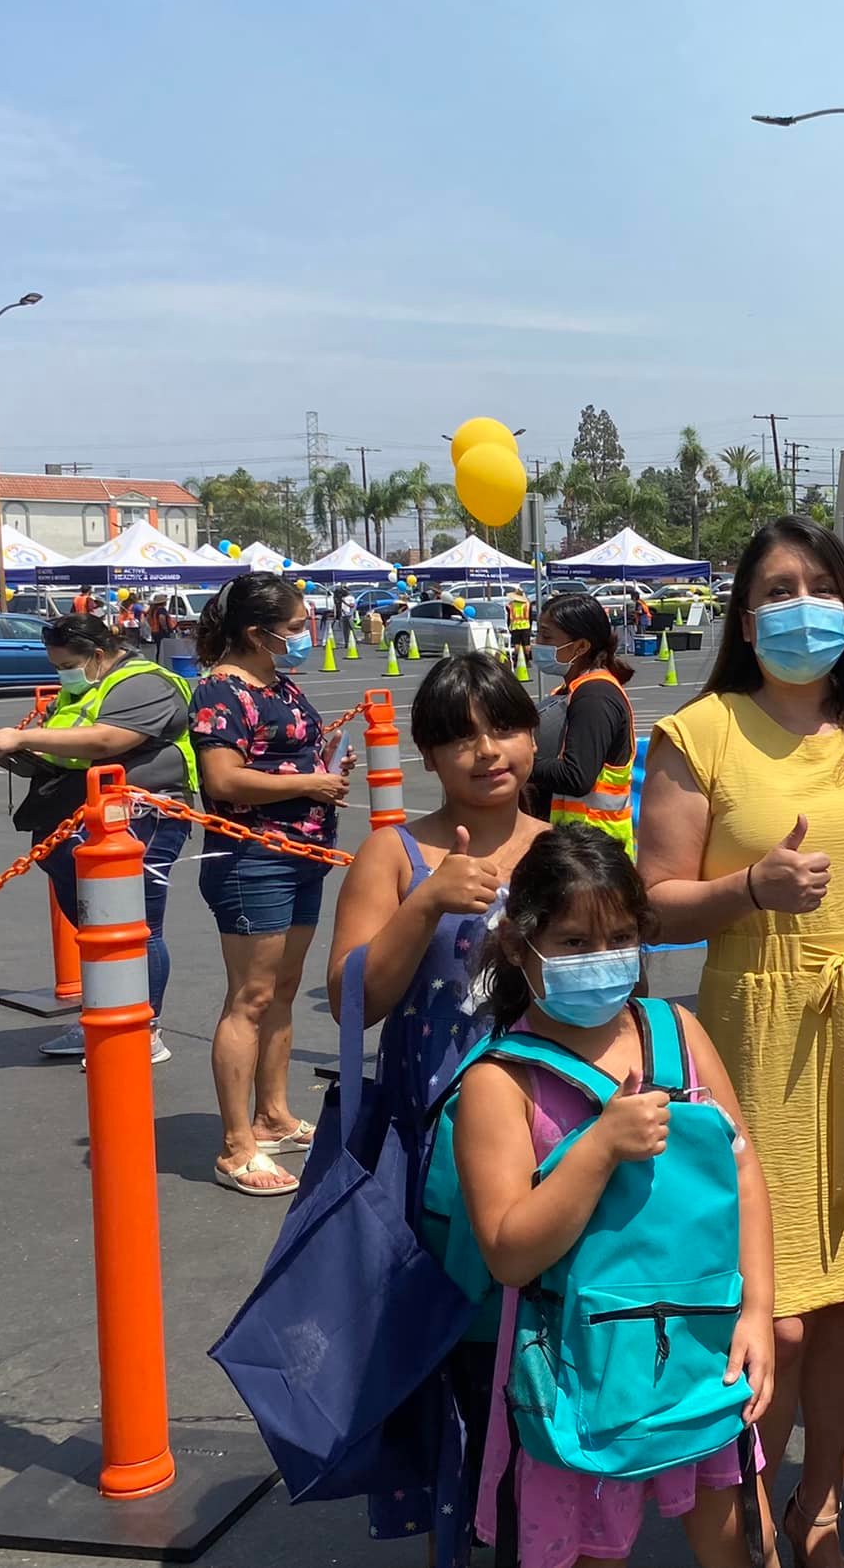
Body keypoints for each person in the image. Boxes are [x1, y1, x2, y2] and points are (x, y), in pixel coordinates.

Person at [637, 514, 844, 1567]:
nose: (799, 607)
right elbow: (653, 903)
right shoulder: (702, 734)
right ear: (740, 613)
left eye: (818, 586)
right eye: (774, 589)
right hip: (761, 1036)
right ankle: (746, 1520)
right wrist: (747, 888)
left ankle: (819, 1508)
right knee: (766, 1309)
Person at [453, 827, 777, 1568]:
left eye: (620, 937)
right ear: (517, 944)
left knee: (741, 1543)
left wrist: (757, 1308)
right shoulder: (499, 1083)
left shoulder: (678, 1032)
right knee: (590, 1551)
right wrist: (598, 1150)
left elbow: (743, 1170)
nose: (600, 960)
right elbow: (509, 1251)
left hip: (700, 1347)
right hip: (577, 1371)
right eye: (571, 942)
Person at [322, 653, 547, 1556]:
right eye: (458, 736)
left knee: (543, 1339)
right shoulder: (394, 849)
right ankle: (461, 1530)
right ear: (426, 756)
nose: (487, 751)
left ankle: (552, 1526)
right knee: (456, 1352)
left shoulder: (568, 847)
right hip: (435, 1150)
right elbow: (354, 1001)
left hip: (550, 1134)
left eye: (504, 726)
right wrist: (424, 906)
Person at [189, 573, 355, 1197]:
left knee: (283, 988)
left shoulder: (276, 684)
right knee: (250, 997)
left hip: (304, 850)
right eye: (294, 628)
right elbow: (224, 780)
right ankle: (237, 1145)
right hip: (252, 858)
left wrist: (324, 763)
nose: (304, 635)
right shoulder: (219, 690)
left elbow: (279, 757)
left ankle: (274, 1114)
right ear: (257, 633)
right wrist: (306, 783)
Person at [0, 613, 196, 1065]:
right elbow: (71, 741)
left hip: (141, 813)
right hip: (83, 814)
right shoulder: (85, 685)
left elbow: (107, 740)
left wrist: (22, 736)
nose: (61, 673)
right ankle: (108, 1015)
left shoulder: (144, 682)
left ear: (97, 655)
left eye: (66, 664)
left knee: (135, 928)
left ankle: (143, 1028)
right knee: (98, 928)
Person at [528, 593, 638, 859]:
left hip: (597, 853)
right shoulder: (572, 690)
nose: (536, 645)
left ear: (580, 647)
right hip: (579, 846)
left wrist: (521, 763)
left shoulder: (595, 696)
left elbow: (577, 776)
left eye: (546, 637)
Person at [147, 593, 176, 667]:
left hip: (155, 631)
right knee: (164, 648)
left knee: (159, 648)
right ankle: (164, 663)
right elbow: (161, 618)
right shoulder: (161, 610)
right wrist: (165, 628)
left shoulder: (153, 610)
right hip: (161, 632)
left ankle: (158, 661)